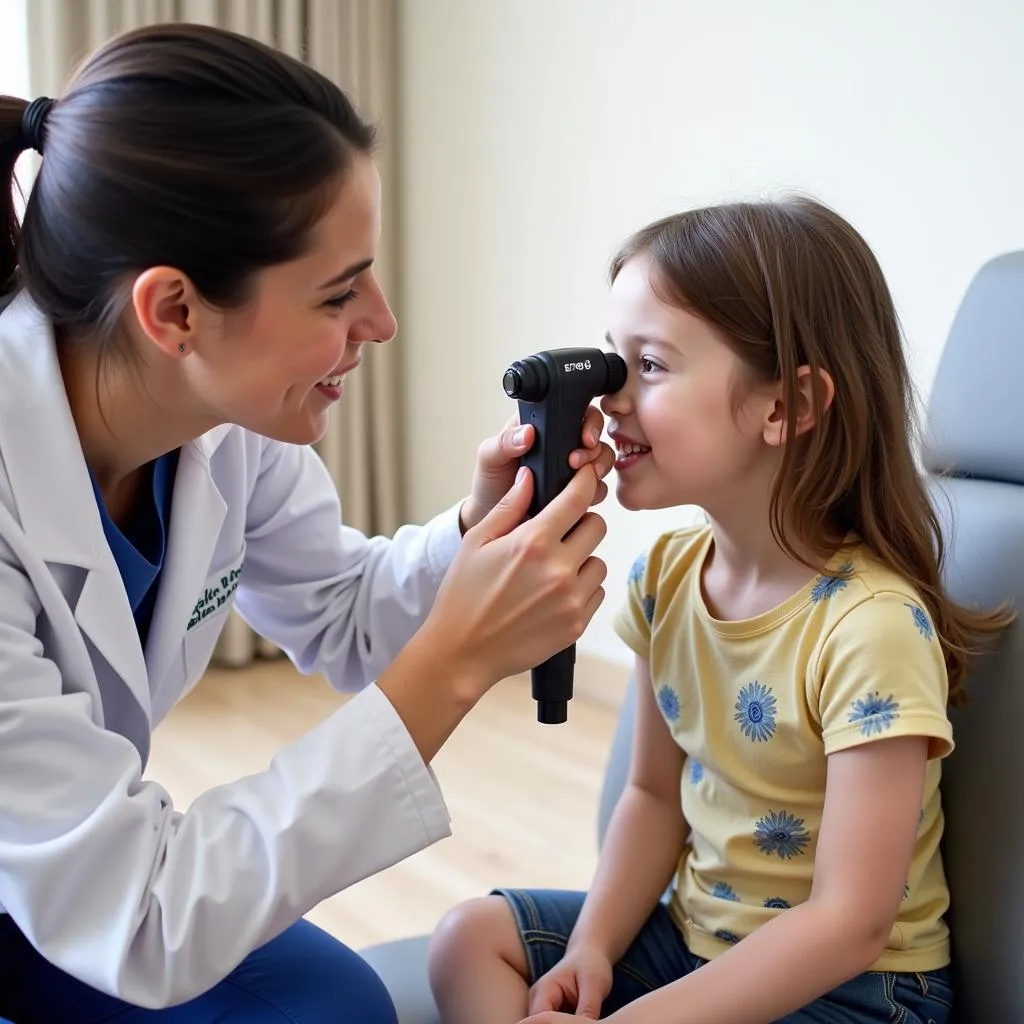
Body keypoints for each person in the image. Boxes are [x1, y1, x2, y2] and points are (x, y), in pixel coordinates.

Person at [0, 22, 615, 1024]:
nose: (380, 321)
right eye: (338, 292)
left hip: (55, 868)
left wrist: (475, 530)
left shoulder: (222, 426)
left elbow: (339, 611)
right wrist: (454, 663)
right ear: (176, 311)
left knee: (336, 1008)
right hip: (58, 878)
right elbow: (143, 916)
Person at [426, 197, 1014, 1024]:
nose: (611, 398)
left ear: (788, 407)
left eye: (652, 366)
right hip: (694, 940)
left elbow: (851, 923)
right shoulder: (665, 577)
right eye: (610, 362)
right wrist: (593, 946)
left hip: (859, 991)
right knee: (467, 940)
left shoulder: (869, 628)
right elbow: (653, 799)